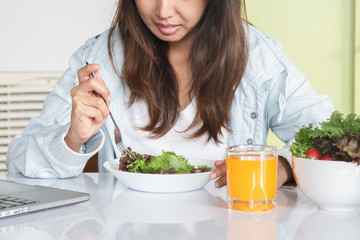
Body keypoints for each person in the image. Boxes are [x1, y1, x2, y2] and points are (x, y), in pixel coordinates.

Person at [6, 0, 333, 188]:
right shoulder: (97, 58)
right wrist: (73, 138)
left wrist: (282, 165)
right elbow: (19, 162)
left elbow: (326, 140)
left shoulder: (258, 55)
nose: (163, 10)